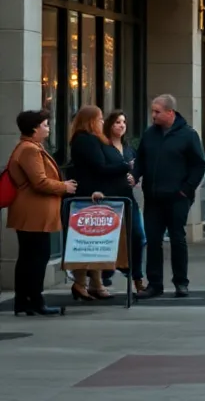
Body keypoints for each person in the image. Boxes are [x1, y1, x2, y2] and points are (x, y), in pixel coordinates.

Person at [134, 94, 205, 299]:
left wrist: (186, 189)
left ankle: (181, 282)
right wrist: (134, 176)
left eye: (157, 112)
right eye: (152, 111)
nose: (153, 116)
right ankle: (154, 284)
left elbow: (199, 164)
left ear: (170, 112)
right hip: (153, 197)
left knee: (177, 238)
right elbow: (140, 160)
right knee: (153, 240)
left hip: (177, 197)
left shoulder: (188, 135)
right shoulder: (150, 134)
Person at [7, 110, 77, 316]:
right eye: (45, 124)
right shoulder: (29, 149)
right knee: (37, 256)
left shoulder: (31, 147)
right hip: (34, 211)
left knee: (29, 256)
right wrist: (64, 187)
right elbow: (40, 182)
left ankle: (24, 300)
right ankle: (34, 300)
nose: (48, 128)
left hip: (32, 210)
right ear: (34, 128)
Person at [67, 105, 133, 300]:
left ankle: (96, 282)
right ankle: (82, 283)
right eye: (99, 118)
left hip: (96, 194)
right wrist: (125, 166)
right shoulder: (85, 140)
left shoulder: (93, 139)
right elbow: (99, 166)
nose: (103, 122)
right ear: (90, 121)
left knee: (95, 241)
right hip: (89, 195)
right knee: (88, 241)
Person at [102, 110, 146, 292]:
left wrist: (134, 177)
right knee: (108, 238)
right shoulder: (103, 146)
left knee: (139, 236)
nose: (121, 125)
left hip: (128, 197)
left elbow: (137, 168)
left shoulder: (128, 147)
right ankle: (104, 274)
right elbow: (101, 169)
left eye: (124, 122)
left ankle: (137, 276)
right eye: (117, 122)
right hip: (107, 197)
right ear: (109, 125)